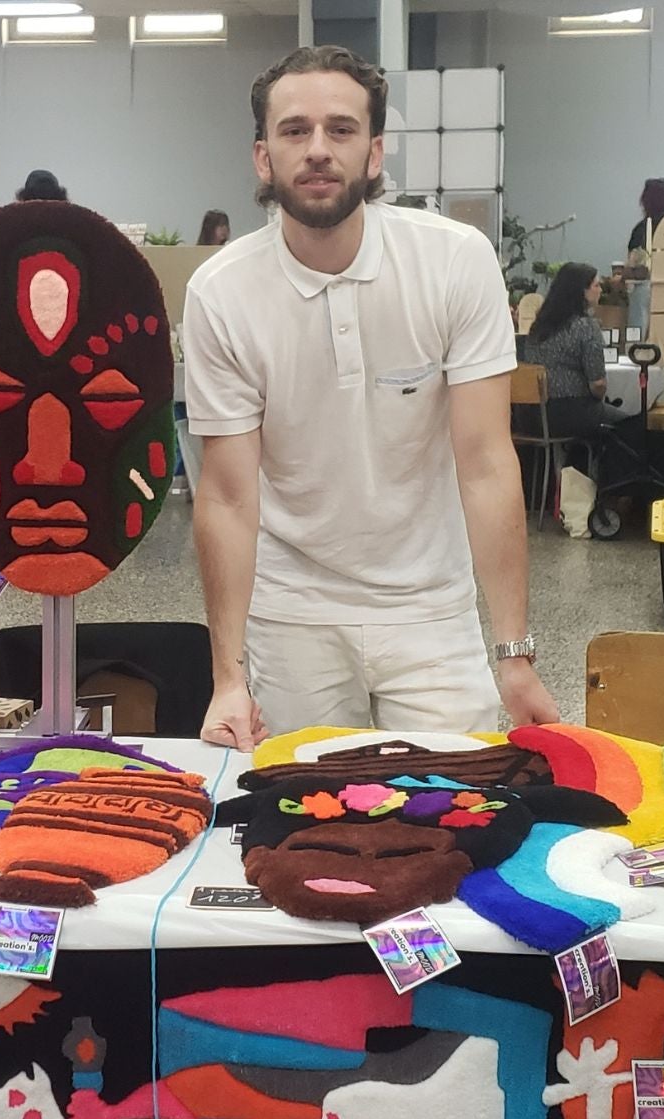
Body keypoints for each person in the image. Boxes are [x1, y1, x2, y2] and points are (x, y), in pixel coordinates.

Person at [183, 44, 559, 744]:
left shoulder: (453, 261)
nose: (318, 149)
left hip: (431, 610)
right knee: (302, 821)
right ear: (263, 157)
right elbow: (230, 496)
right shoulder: (221, 293)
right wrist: (228, 679)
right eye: (295, 130)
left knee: (455, 816)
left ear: (375, 153)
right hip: (291, 612)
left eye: (341, 130)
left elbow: (485, 463)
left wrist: (513, 656)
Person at [521, 262, 619, 447]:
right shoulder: (585, 326)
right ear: (581, 292)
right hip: (569, 414)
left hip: (531, 417)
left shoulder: (538, 326)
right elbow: (597, 384)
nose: (600, 290)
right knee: (628, 423)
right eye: (596, 285)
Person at [624, 178, 664, 335]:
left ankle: (634, 348)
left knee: (640, 294)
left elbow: (636, 266)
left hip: (647, 291)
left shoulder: (643, 229)